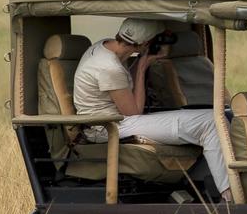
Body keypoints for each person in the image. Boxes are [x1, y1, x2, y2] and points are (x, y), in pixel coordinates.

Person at [73, 17, 230, 199]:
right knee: (210, 121)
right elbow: (133, 112)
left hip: (113, 122)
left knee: (211, 116)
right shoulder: (109, 68)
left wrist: (141, 59)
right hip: (109, 128)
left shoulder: (102, 47)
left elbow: (125, 86)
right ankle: (230, 196)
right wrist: (142, 67)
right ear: (145, 43)